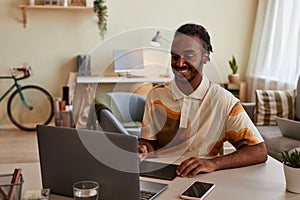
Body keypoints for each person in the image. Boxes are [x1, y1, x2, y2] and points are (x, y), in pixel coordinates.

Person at [138, 23, 267, 178]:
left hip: (204, 178)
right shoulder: (156, 96)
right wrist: (143, 149)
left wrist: (214, 163)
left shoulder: (223, 100)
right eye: (174, 56)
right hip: (162, 177)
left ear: (205, 57)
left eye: (189, 56)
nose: (179, 63)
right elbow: (149, 143)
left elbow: (258, 151)